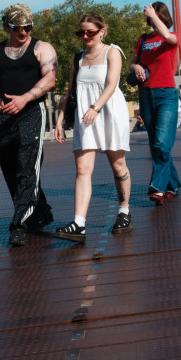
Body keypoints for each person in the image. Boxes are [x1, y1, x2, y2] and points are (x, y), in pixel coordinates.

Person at [0, 3, 58, 247]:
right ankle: (40, 212)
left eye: (28, 27)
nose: (23, 32)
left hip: (32, 111)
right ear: (6, 26)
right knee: (11, 170)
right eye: (17, 28)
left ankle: (18, 224)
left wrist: (25, 98)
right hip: (3, 115)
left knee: (27, 167)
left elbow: (51, 78)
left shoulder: (42, 48)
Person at [51, 12, 132, 243]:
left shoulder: (112, 52)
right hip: (85, 116)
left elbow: (111, 84)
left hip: (107, 112)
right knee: (82, 169)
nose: (85, 36)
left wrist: (95, 108)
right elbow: (70, 91)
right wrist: (60, 118)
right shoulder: (78, 57)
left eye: (90, 32)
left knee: (118, 165)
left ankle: (124, 211)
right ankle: (79, 223)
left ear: (102, 31)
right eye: (81, 32)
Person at [129, 2, 181, 205]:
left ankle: (157, 187)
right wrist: (136, 68)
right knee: (156, 144)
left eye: (156, 16)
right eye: (150, 17)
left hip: (166, 94)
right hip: (146, 94)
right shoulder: (143, 39)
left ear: (162, 17)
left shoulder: (172, 36)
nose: (152, 19)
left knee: (161, 142)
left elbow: (168, 36)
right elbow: (132, 62)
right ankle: (173, 184)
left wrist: (155, 15)